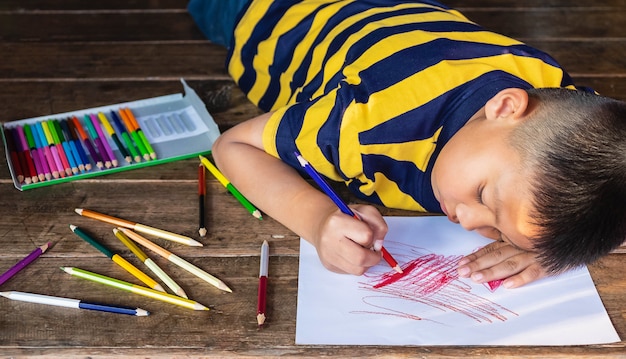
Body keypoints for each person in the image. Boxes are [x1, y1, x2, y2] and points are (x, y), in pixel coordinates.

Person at [188, 0, 626, 288]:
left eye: (495, 228)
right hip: (266, 15)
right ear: (505, 108)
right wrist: (318, 221)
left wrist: (553, 247)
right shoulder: (363, 122)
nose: (467, 222)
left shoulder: (571, 113)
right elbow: (233, 147)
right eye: (482, 195)